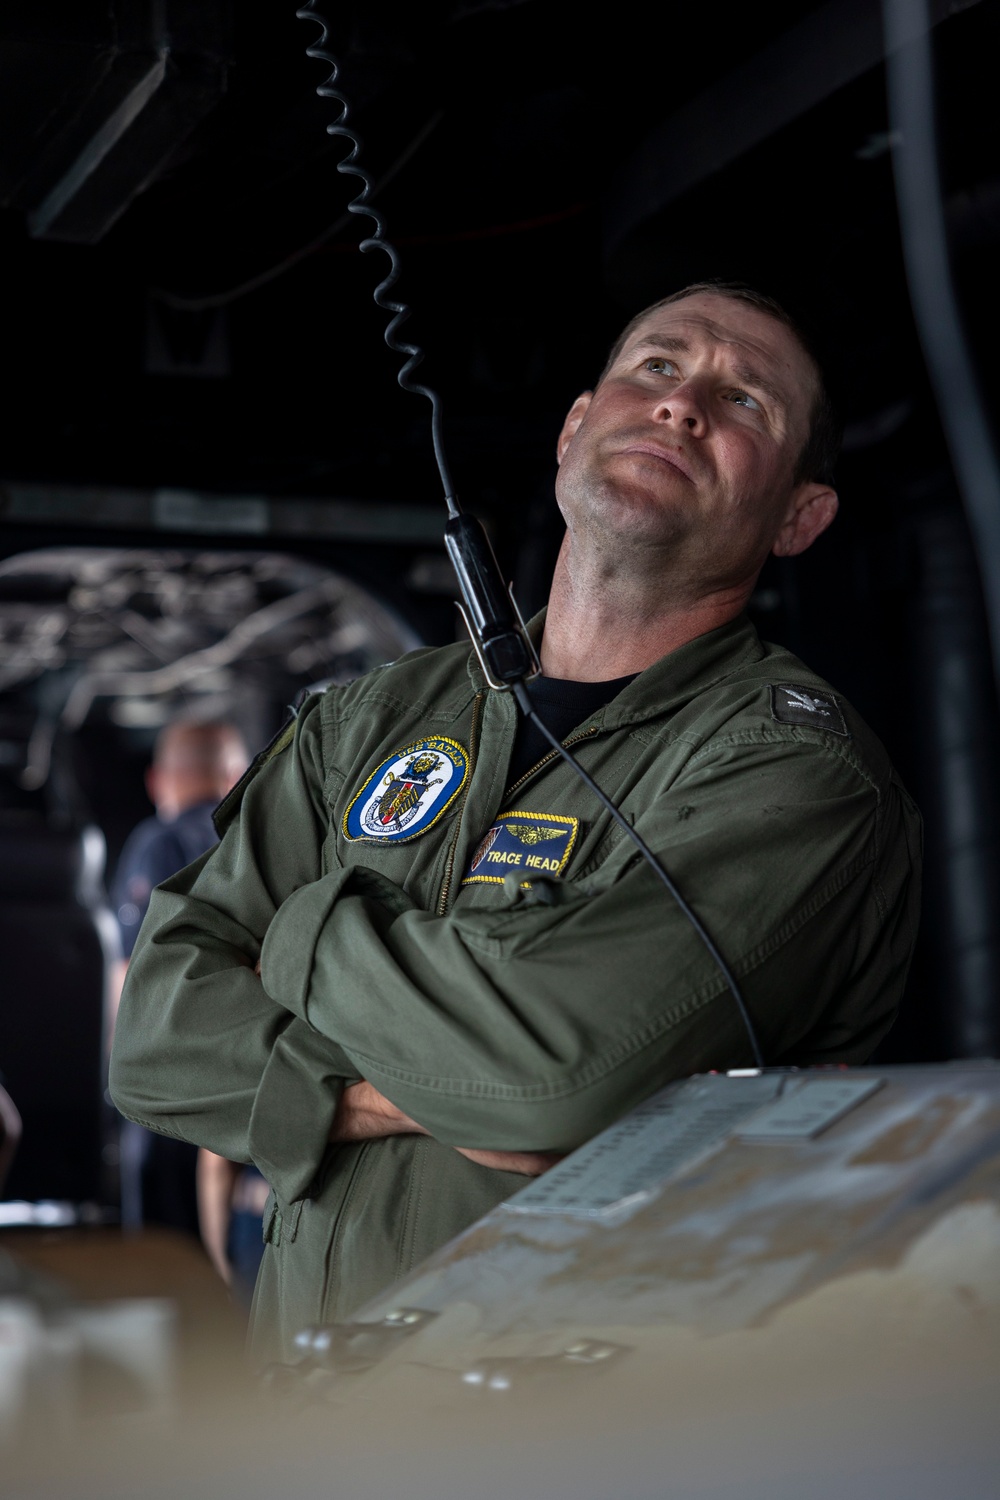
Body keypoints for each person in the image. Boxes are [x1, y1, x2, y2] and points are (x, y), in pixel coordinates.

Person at [110, 283, 922, 1366]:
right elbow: (155, 1038)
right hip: (310, 1421)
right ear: (573, 428)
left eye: (746, 403)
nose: (683, 407)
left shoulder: (794, 775)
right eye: (658, 367)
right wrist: (370, 1095)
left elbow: (550, 1079)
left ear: (798, 518)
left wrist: (296, 930)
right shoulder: (377, 717)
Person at [111, 719, 256, 1253]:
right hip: (249, 1084)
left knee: (164, 1262)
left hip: (169, 1085)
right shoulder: (256, 841)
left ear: (158, 781)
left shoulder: (158, 843)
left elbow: (129, 979)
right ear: (235, 776)